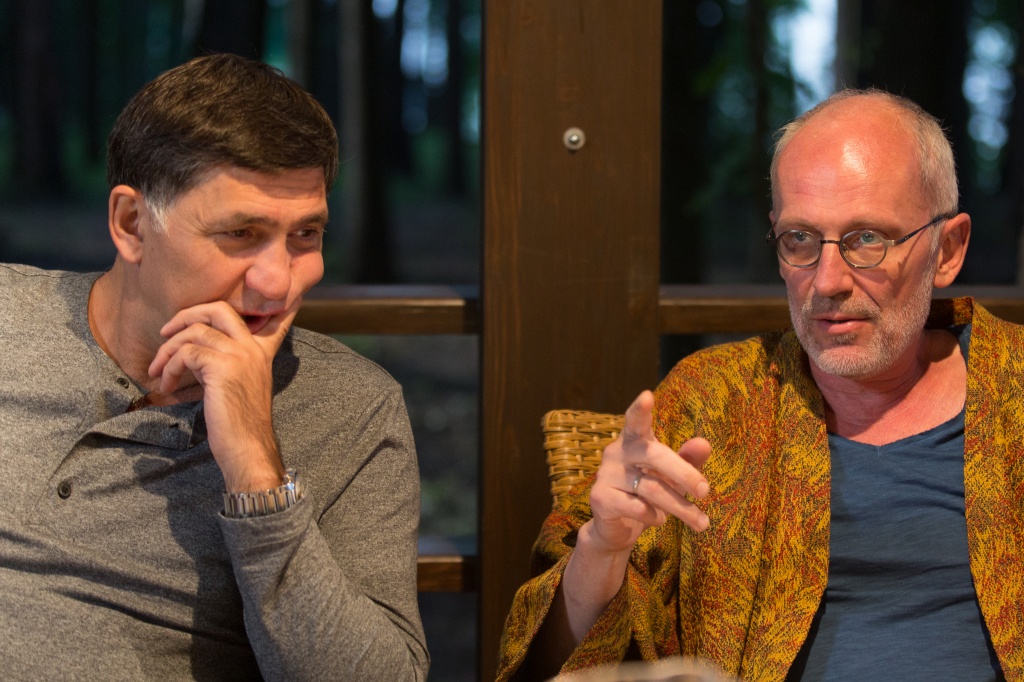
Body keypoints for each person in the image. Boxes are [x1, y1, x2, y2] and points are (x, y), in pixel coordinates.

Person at [497, 89, 1024, 681]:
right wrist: (602, 548)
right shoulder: (712, 401)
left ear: (947, 249)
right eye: (801, 239)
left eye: (867, 239)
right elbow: (550, 669)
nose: (827, 281)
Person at [0, 54, 428, 680]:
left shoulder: (354, 411)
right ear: (132, 224)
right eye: (241, 234)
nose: (278, 281)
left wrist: (255, 467)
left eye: (306, 235)